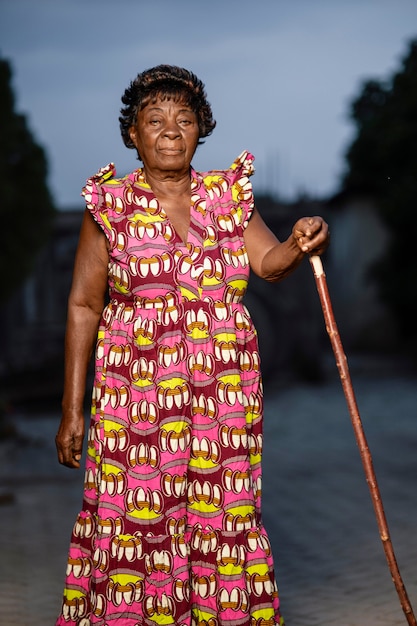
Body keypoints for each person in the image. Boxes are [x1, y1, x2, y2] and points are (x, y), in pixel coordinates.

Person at [55, 64, 329, 626]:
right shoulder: (109, 206)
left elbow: (269, 265)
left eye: (184, 119)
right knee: (135, 520)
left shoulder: (228, 197)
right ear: (133, 134)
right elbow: (84, 305)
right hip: (136, 401)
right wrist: (71, 408)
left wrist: (299, 242)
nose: (171, 131)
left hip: (220, 398)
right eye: (154, 120)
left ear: (201, 130)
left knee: (224, 517)